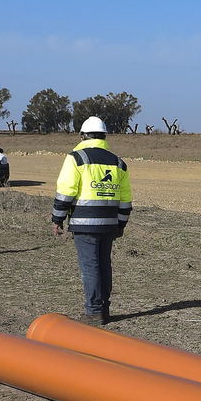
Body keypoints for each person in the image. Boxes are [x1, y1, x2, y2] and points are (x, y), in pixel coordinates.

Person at [52, 116, 133, 325]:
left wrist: (57, 219)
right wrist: (121, 224)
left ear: (82, 136)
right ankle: (104, 310)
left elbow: (66, 191)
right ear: (104, 136)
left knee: (90, 267)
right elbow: (125, 199)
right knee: (104, 266)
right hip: (109, 224)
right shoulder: (118, 163)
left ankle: (94, 312)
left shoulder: (76, 158)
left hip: (84, 224)